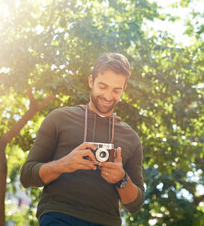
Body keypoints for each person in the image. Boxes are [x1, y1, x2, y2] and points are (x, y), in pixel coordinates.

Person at [20, 53, 144, 226]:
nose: (108, 96)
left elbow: (135, 204)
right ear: (91, 81)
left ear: (124, 89)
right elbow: (27, 176)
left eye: (117, 90)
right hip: (59, 216)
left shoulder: (131, 138)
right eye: (103, 86)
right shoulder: (59, 118)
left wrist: (121, 178)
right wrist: (64, 164)